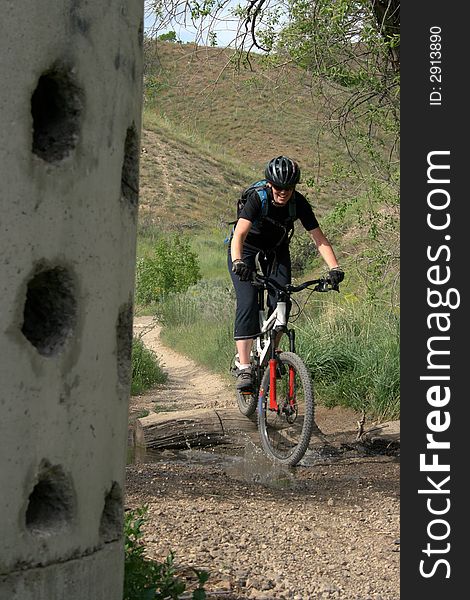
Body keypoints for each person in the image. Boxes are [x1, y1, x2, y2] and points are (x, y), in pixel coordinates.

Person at [228, 155, 344, 391]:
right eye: (279, 187)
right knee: (248, 301)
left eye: (288, 188)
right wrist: (239, 261)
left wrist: (334, 268)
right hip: (246, 249)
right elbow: (239, 235)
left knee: (283, 300)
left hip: (277, 248)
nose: (283, 192)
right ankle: (244, 366)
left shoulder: (298, 203)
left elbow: (318, 238)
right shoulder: (257, 199)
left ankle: (273, 351)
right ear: (270, 184)